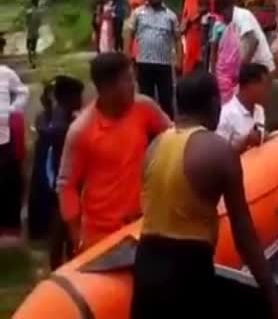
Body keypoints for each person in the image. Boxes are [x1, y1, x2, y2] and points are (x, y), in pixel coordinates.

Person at [130, 71, 278, 319]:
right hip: (187, 270)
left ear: (177, 104)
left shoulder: (155, 146)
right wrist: (272, 294)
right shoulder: (218, 151)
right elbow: (244, 234)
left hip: (146, 264)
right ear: (214, 104)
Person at [58, 53, 172, 252]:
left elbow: (174, 136)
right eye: (128, 80)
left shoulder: (144, 107)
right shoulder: (81, 130)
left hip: (143, 225)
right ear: (107, 88)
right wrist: (77, 238)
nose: (134, 84)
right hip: (101, 235)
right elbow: (66, 186)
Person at [124, 0, 182, 119]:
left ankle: (168, 128)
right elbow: (129, 33)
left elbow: (178, 39)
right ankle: (147, 126)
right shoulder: (138, 13)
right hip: (144, 62)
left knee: (166, 99)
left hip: (164, 64)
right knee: (145, 99)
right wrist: (126, 54)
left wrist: (179, 59)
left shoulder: (170, 16)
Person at [47, 76, 85, 269]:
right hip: (65, 182)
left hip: (58, 180)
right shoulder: (64, 127)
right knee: (65, 226)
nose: (82, 101)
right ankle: (66, 265)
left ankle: (59, 265)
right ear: (69, 97)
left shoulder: (60, 117)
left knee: (61, 225)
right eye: (79, 96)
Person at [214, 0, 275, 101]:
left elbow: (252, 41)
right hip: (255, 69)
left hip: (260, 69)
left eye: (222, 15)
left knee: (255, 108)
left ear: (226, 10)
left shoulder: (242, 16)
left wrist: (241, 69)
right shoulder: (235, 22)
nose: (223, 19)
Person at [216, 63, 274, 153]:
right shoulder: (226, 115)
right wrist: (245, 143)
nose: (267, 91)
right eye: (264, 86)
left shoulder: (259, 110)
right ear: (251, 85)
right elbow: (219, 156)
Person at [0, 64, 29, 243]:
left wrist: (12, 110)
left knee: (8, 181)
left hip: (4, 136)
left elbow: (23, 92)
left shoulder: (5, 73)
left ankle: (10, 229)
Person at [26, 80, 56, 242]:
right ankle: (41, 228)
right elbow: (42, 129)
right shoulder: (42, 116)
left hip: (52, 154)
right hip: (44, 154)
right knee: (42, 188)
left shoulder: (64, 116)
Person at [181, 0, 210, 75]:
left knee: (202, 56)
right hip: (192, 29)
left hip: (203, 27)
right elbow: (188, 11)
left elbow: (207, 6)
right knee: (190, 56)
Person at [25, 0, 43, 68]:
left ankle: (31, 63)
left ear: (32, 3)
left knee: (28, 48)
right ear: (37, 3)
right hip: (36, 32)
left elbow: (26, 22)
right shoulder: (39, 12)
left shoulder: (29, 12)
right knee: (34, 48)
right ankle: (34, 62)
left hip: (30, 32)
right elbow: (40, 22)